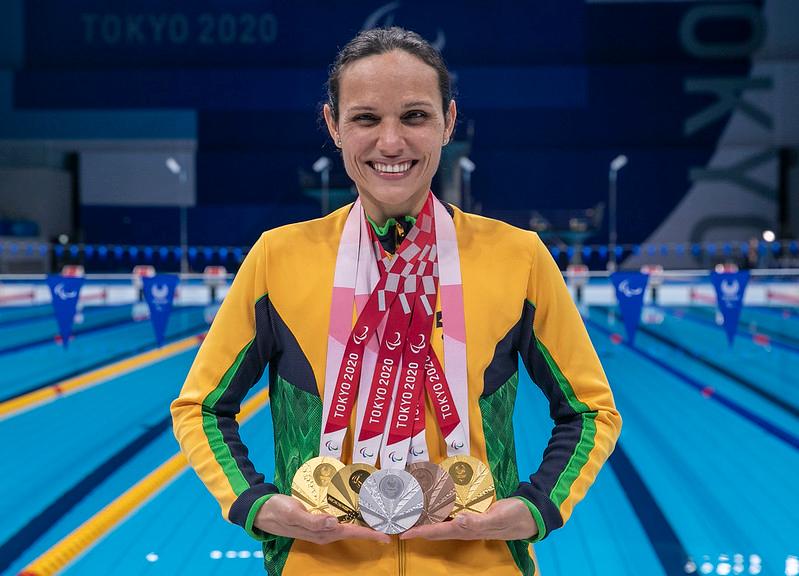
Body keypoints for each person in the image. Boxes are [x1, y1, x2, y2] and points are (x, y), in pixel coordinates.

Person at [171, 27, 621, 576]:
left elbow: (590, 411)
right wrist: (256, 504)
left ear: (447, 122)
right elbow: (201, 407)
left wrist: (537, 508)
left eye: (414, 116)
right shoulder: (278, 259)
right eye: (365, 118)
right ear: (333, 126)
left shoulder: (517, 258)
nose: (390, 142)